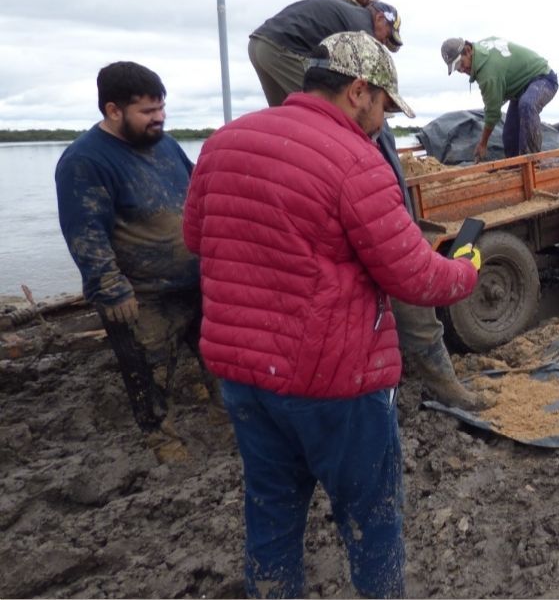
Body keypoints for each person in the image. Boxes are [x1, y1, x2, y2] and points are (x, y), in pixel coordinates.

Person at [183, 31, 482, 598]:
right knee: (372, 516)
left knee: (270, 508)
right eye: (383, 107)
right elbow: (414, 276)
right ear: (357, 90)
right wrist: (465, 270)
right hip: (334, 382)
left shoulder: (223, 141)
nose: (382, 122)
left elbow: (196, 237)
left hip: (244, 376)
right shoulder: (356, 161)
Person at [55, 61, 209, 463]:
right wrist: (110, 288)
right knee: (150, 375)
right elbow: (84, 231)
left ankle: (228, 419)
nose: (158, 118)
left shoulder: (167, 145)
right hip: (141, 296)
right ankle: (164, 443)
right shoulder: (84, 161)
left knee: (221, 360)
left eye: (161, 108)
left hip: (194, 281)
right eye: (147, 111)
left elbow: (197, 197)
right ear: (113, 110)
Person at [248, 0, 402, 106]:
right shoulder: (364, 30)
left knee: (284, 112)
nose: (383, 43)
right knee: (325, 111)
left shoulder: (347, 12)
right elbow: (365, 80)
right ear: (380, 18)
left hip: (258, 44)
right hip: (281, 49)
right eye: (387, 36)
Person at [441, 36, 558, 160]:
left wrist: (483, 143)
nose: (462, 69)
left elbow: (493, 112)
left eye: (461, 63)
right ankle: (515, 169)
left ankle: (531, 162)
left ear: (468, 50)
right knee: (510, 136)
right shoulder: (480, 50)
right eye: (457, 69)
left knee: (527, 105)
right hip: (520, 89)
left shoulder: (488, 73)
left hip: (544, 78)